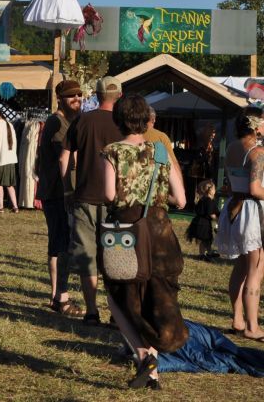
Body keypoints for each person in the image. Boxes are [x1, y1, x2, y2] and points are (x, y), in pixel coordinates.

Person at [101, 94, 187, 389]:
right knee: (154, 295)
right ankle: (152, 373)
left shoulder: (112, 151)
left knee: (119, 294)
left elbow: (109, 195)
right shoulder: (161, 150)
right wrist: (160, 197)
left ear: (119, 120)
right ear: (145, 120)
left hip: (128, 229)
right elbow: (182, 199)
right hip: (161, 232)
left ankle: (142, 354)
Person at [61, 75, 123, 326]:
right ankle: (117, 314)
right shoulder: (124, 124)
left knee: (88, 258)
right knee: (116, 258)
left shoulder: (82, 121)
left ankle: (91, 311)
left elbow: (64, 159)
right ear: (119, 95)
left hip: (84, 197)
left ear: (95, 95)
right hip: (116, 202)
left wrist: (67, 190)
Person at [35, 80, 85, 316]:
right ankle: (58, 297)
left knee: (59, 243)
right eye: (71, 96)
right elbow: (66, 156)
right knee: (60, 243)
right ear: (60, 99)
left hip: (56, 190)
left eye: (79, 95)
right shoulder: (58, 122)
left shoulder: (68, 120)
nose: (77, 99)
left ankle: (56, 295)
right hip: (56, 192)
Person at [215, 114, 264, 341]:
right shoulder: (257, 152)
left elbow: (230, 182)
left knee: (241, 267)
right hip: (252, 212)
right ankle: (252, 327)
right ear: (255, 127)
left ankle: (237, 318)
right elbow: (255, 189)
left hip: (234, 209)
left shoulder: (233, 148)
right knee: (256, 270)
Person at [186, 180, 219, 259]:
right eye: (214, 188)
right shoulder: (208, 201)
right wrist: (218, 220)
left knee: (207, 239)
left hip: (200, 222)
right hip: (203, 223)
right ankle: (202, 254)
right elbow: (211, 213)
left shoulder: (203, 199)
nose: (215, 190)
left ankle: (209, 252)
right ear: (210, 190)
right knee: (205, 240)